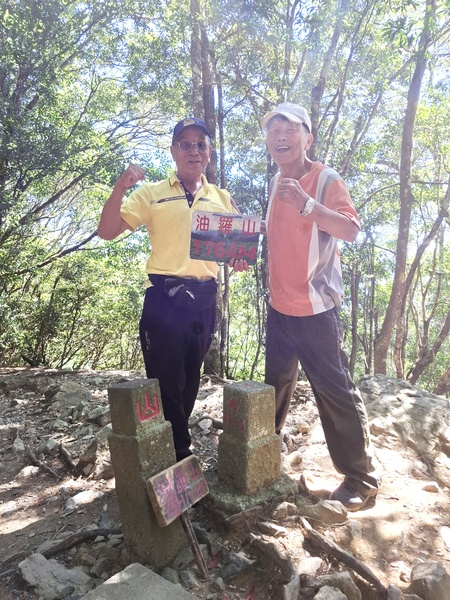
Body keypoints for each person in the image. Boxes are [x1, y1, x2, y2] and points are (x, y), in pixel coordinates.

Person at [98, 117, 245, 461]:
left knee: (189, 382)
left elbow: (238, 246)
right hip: (164, 301)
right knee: (166, 384)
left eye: (200, 145)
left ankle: (172, 448)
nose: (193, 151)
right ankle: (180, 456)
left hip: (204, 303)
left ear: (209, 153)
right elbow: (107, 231)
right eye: (185, 144)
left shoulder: (222, 198)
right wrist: (120, 186)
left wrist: (240, 257)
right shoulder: (151, 193)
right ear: (173, 151)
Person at [261, 102, 381, 511]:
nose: (280, 136)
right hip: (279, 308)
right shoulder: (274, 182)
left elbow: (351, 229)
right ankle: (262, 459)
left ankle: (361, 479)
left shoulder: (326, 178)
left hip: (315, 310)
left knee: (333, 392)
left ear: (307, 138)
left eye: (289, 129)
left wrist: (307, 203)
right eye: (273, 130)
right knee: (273, 389)